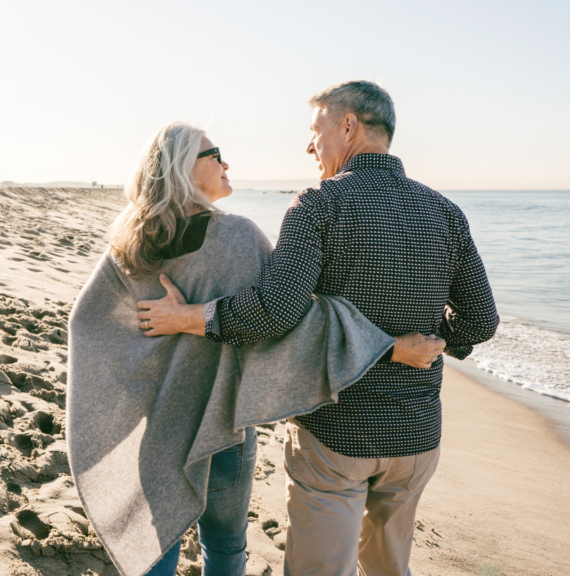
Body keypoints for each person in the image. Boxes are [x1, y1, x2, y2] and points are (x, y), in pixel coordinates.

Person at [136, 81, 499, 576]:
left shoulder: (320, 205)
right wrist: (437, 343)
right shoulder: (445, 212)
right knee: (390, 568)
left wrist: (189, 318)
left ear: (348, 127)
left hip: (336, 434)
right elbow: (481, 320)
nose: (310, 145)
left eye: (316, 130)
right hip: (417, 434)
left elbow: (275, 312)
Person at [66, 121, 445, 576]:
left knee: (155, 544)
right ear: (184, 168)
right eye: (215, 154)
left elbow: (87, 325)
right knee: (225, 546)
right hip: (223, 421)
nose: (226, 163)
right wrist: (390, 348)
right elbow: (295, 321)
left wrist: (143, 372)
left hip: (158, 423)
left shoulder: (129, 243)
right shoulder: (238, 238)